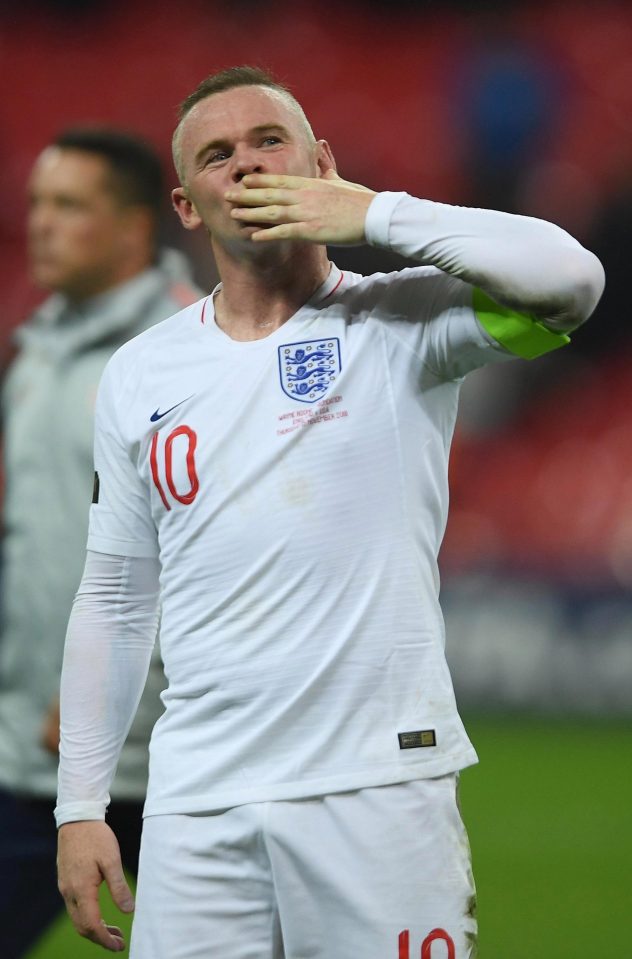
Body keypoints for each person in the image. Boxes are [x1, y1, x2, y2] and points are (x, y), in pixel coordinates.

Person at [54, 67, 605, 959]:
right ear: (187, 206)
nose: (246, 165)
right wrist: (81, 805)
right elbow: (115, 596)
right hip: (197, 803)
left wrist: (377, 214)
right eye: (216, 155)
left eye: (269, 140)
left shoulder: (404, 321)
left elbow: (573, 279)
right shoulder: (141, 373)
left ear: (321, 162)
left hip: (377, 789)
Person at [0, 127, 200, 959]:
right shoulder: (36, 349)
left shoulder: (192, 354)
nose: (41, 223)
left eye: (69, 205)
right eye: (38, 203)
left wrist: (101, 693)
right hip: (26, 749)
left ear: (131, 227)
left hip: (171, 761)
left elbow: (201, 551)